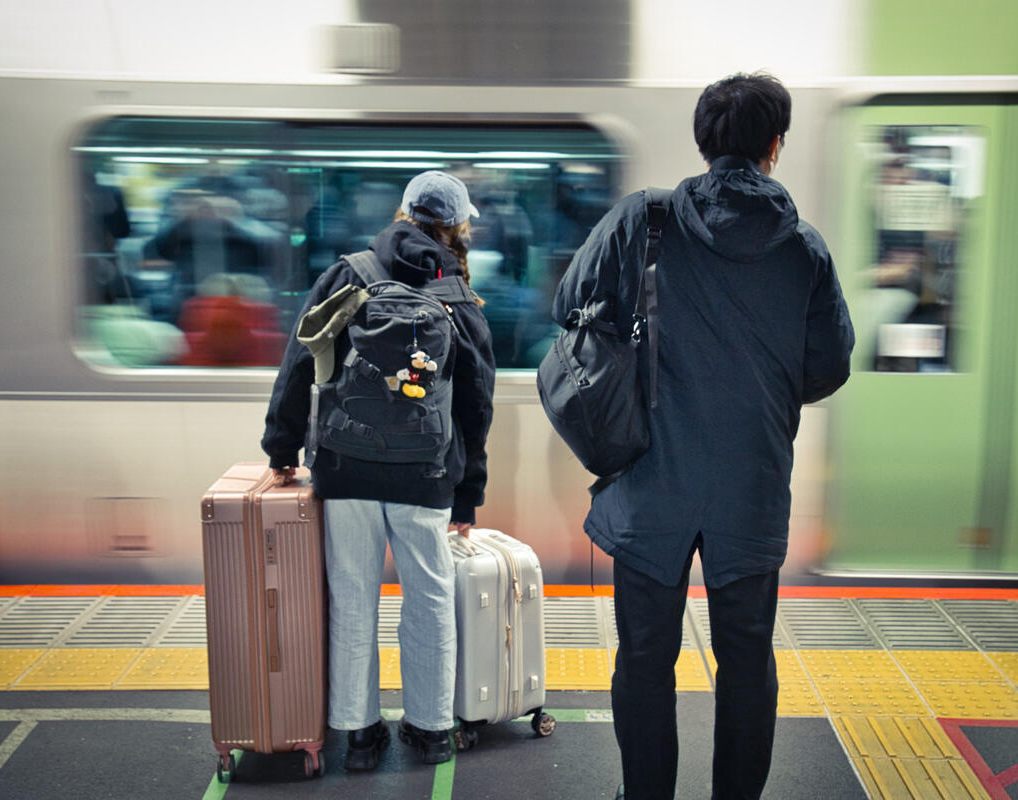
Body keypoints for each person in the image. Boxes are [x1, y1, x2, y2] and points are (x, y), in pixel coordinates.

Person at [551, 73, 854, 800]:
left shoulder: (642, 221)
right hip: (750, 487)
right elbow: (828, 367)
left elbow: (570, 307)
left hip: (651, 480)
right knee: (746, 658)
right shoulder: (805, 251)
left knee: (646, 657)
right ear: (775, 146)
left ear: (702, 141)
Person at [261, 171, 496, 770]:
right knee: (430, 599)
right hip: (426, 474)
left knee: (352, 597)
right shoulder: (456, 293)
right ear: (458, 227)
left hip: (345, 470)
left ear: (403, 211)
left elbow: (299, 359)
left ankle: (359, 735)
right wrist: (468, 494)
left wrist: (282, 446)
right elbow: (477, 404)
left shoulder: (350, 273)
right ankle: (431, 729)